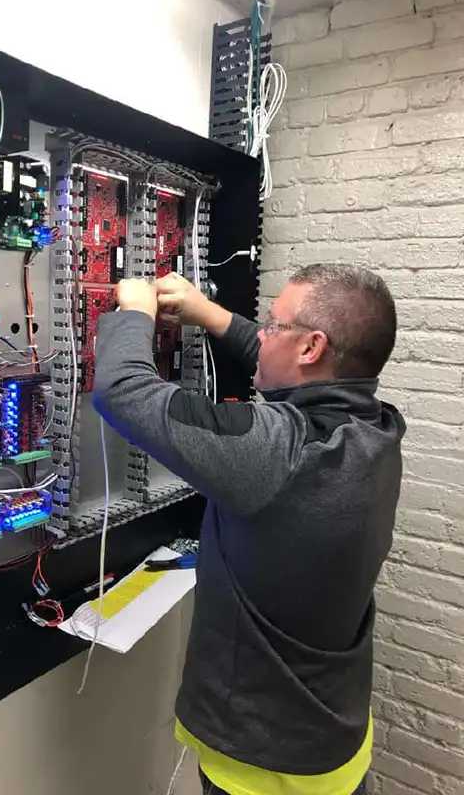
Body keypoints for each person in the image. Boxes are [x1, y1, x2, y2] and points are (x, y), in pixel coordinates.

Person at [92, 263, 405, 795]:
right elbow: (288, 369)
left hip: (265, 769)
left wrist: (135, 312)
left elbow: (122, 391)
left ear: (311, 347)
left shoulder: (281, 453)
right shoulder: (375, 429)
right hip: (336, 742)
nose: (260, 333)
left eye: (272, 324)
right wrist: (208, 313)